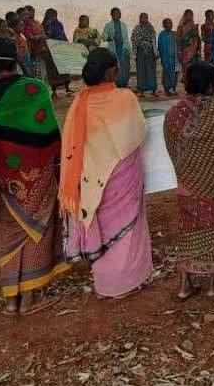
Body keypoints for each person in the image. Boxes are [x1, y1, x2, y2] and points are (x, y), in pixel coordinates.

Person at [0, 37, 70, 314]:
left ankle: (11, 299)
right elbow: (50, 133)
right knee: (39, 229)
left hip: (2, 176)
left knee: (10, 232)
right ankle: (32, 296)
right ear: (17, 55)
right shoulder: (36, 88)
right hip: (38, 173)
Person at [61, 48, 154, 299]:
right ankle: (127, 280)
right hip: (122, 173)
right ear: (112, 71)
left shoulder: (79, 102)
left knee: (101, 222)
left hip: (93, 178)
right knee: (127, 226)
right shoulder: (124, 98)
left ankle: (105, 283)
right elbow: (137, 134)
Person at [164, 62, 214, 300]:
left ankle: (184, 285)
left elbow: (173, 148)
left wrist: (187, 171)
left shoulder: (174, 113)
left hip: (187, 183)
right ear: (212, 86)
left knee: (187, 229)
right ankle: (213, 285)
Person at [131, 12, 159, 98]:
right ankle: (141, 90)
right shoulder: (136, 28)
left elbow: (154, 39)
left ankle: (153, 90)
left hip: (150, 52)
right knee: (141, 71)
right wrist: (141, 40)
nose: (145, 19)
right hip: (140, 52)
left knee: (151, 70)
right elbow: (133, 38)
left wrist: (155, 52)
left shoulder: (151, 27)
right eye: (143, 18)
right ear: (139, 19)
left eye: (146, 18)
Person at [102, 7, 132, 88]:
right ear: (111, 15)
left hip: (124, 48)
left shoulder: (123, 25)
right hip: (113, 49)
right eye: (115, 13)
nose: (117, 15)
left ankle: (124, 83)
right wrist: (111, 38)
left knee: (125, 66)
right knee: (115, 67)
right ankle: (116, 84)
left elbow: (126, 38)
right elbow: (103, 37)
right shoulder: (108, 25)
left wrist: (129, 49)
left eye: (119, 13)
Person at [158, 17, 180, 96]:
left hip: (175, 58)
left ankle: (173, 88)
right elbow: (160, 47)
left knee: (175, 73)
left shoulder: (175, 34)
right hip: (166, 58)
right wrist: (163, 58)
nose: (170, 25)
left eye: (170, 23)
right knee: (167, 73)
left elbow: (179, 44)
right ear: (164, 25)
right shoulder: (162, 35)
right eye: (167, 23)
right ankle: (167, 90)